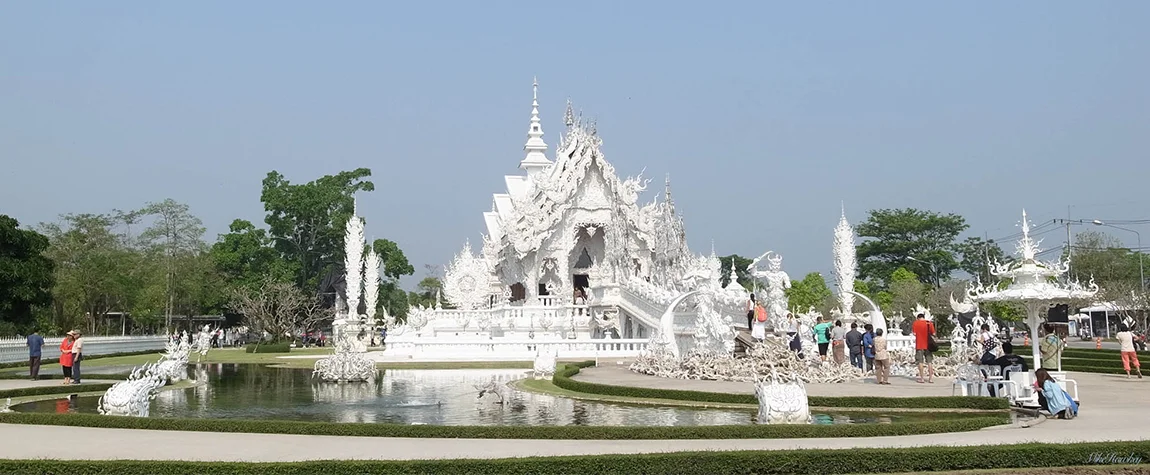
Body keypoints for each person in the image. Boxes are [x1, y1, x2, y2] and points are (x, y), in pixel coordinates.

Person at [912, 313, 936, 383]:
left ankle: (922, 378)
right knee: (929, 362)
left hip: (919, 345)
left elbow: (914, 333)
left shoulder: (916, 323)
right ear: (923, 317)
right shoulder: (929, 323)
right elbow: (933, 333)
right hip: (928, 345)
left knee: (920, 361)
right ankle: (930, 379)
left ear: (918, 318)